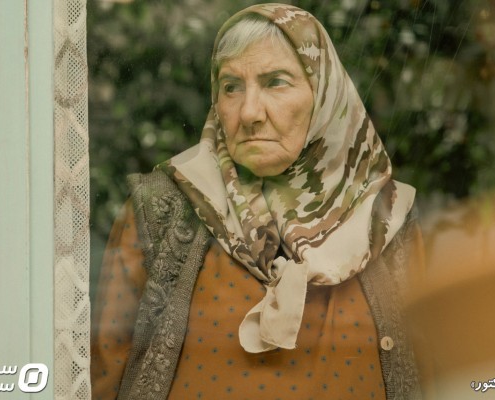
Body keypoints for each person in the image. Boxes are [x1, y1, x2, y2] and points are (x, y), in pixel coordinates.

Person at [91, 4, 424, 399]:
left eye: (276, 82)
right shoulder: (161, 208)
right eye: (231, 87)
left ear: (325, 96)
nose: (249, 112)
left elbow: (433, 372)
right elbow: (102, 377)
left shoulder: (386, 218)